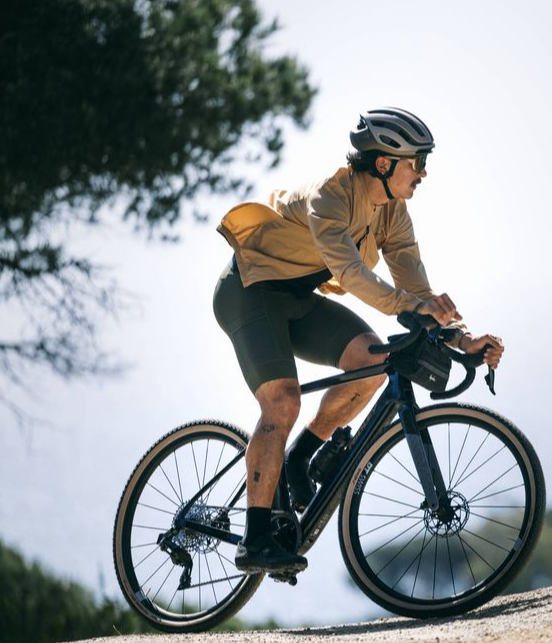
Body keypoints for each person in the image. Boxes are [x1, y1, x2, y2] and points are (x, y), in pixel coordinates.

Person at [212, 107, 505, 574]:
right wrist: (410, 306)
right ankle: (256, 538)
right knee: (283, 402)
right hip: (251, 292)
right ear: (385, 163)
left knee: (372, 359)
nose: (424, 173)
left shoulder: (394, 212)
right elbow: (351, 274)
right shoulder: (328, 198)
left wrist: (460, 338)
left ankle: (299, 456)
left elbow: (418, 289)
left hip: (299, 298)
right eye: (417, 162)